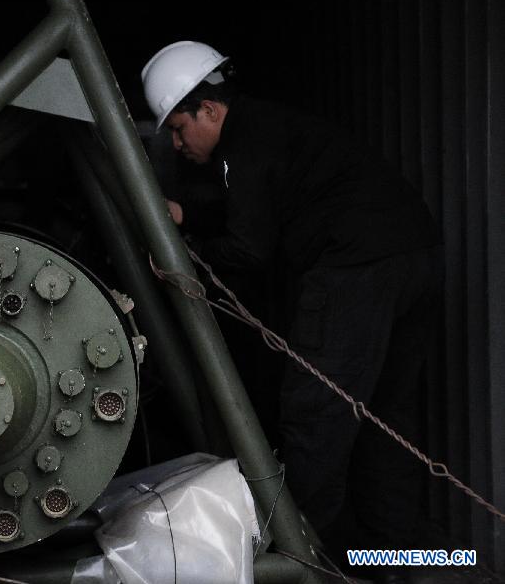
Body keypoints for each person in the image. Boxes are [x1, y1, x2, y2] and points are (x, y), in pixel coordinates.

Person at [142, 41, 443, 580]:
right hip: (411, 256)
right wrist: (188, 213)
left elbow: (250, 248)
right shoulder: (267, 133)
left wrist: (185, 258)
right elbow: (251, 203)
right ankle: (392, 561)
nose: (176, 141)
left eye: (178, 127)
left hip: (355, 269)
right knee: (385, 417)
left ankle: (306, 562)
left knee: (316, 415)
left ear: (208, 110)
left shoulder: (245, 145)